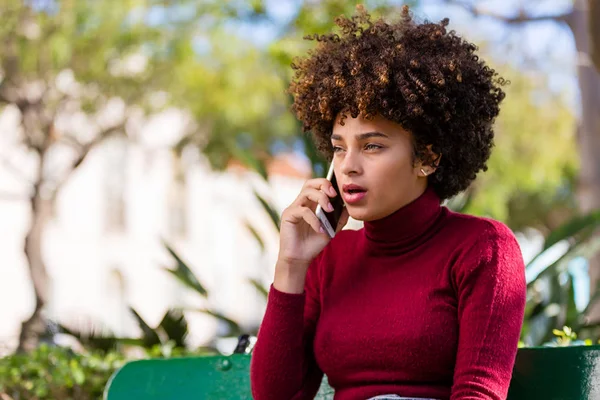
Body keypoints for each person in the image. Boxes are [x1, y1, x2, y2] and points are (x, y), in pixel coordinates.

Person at [250, 4, 526, 400]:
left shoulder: (483, 249)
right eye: (338, 148)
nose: (348, 167)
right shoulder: (327, 260)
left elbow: (478, 394)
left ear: (428, 157)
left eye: (373, 146)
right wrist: (291, 266)